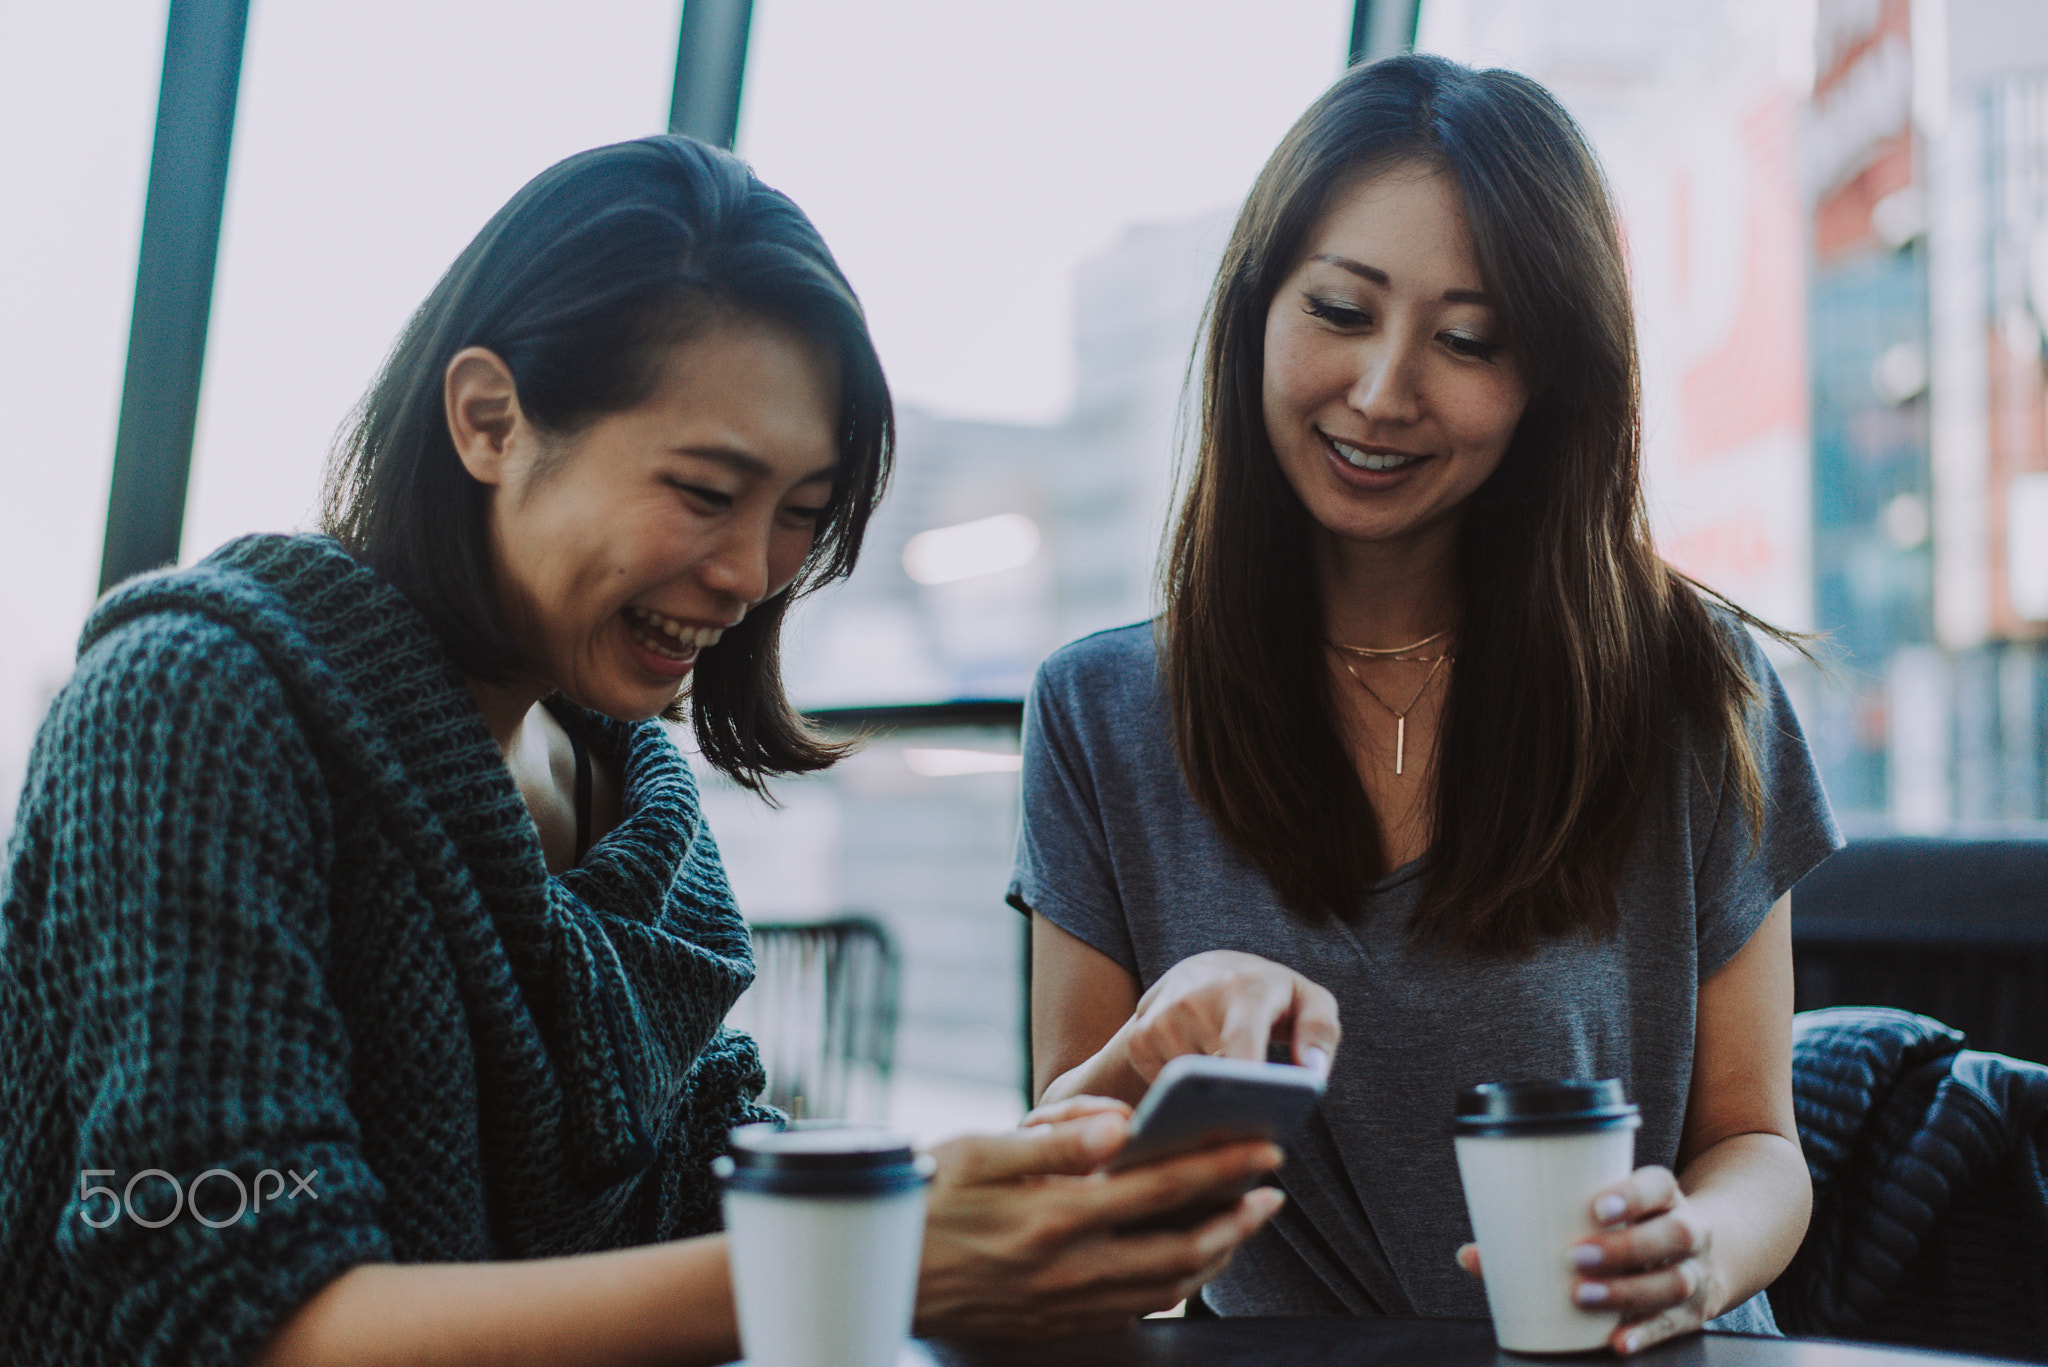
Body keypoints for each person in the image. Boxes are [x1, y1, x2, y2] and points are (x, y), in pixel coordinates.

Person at [0, 135, 1283, 1367]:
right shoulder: (193, 711)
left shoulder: (631, 796)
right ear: (490, 419)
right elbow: (234, 1306)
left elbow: (703, 1203)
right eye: (704, 491)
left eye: (800, 513)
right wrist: (882, 1249)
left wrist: (1087, 1127)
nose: (746, 575)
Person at [1013, 54, 1840, 1354]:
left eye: (1468, 340)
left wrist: (1694, 1253)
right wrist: (1140, 1079)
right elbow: (1087, 1224)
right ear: (1255, 314)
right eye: (1341, 309)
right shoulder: (1100, 712)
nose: (1386, 388)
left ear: (1551, 381)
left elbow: (1755, 1141)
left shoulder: (1696, 682)